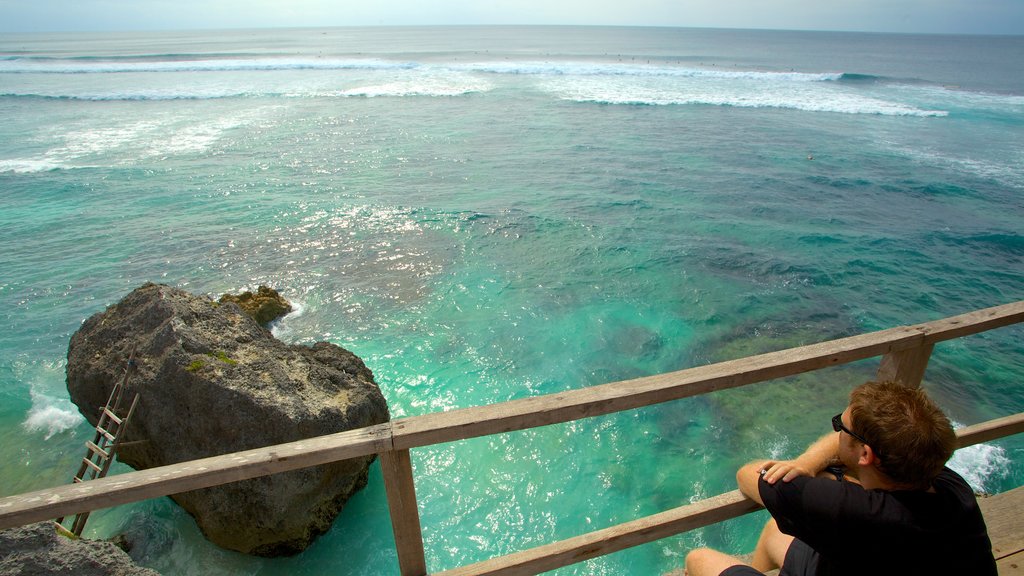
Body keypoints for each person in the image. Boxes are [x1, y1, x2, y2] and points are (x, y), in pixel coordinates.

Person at [685, 380, 997, 576]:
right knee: (773, 531)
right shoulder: (949, 486)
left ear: (866, 455)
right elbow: (844, 448)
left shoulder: (852, 510)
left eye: (841, 426)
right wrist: (806, 462)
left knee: (699, 560)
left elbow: (749, 476)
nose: (836, 432)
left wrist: (803, 468)